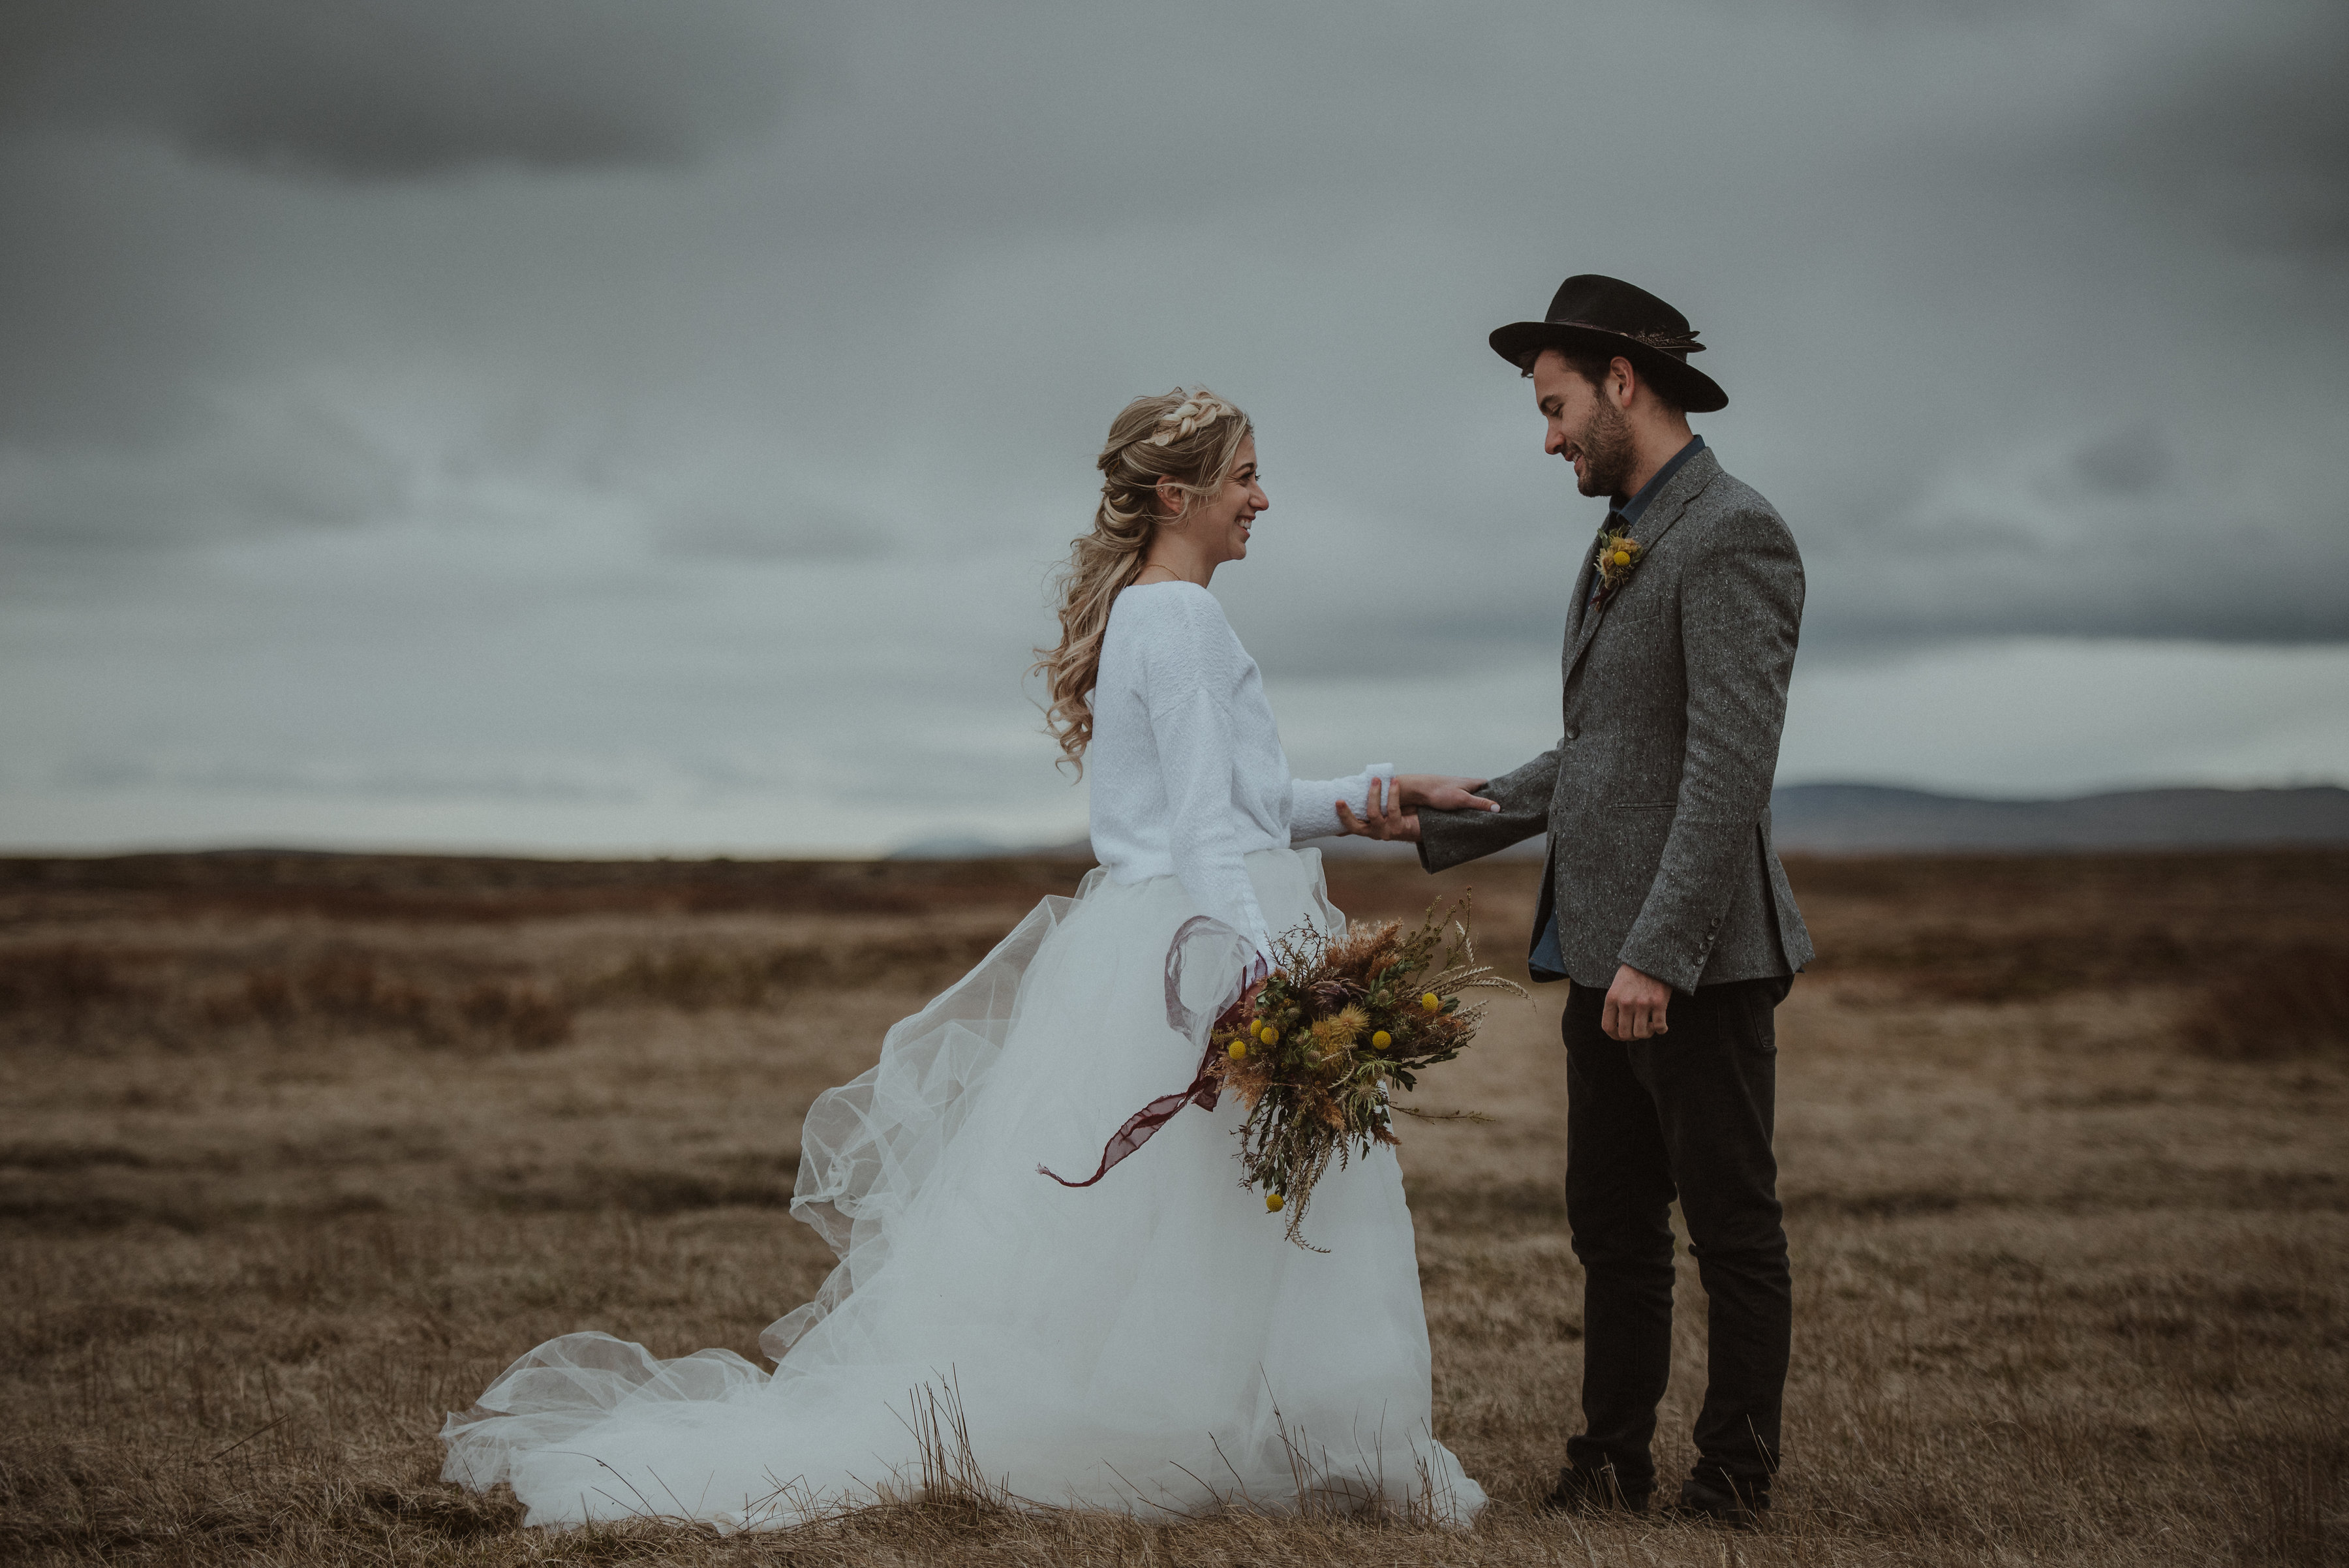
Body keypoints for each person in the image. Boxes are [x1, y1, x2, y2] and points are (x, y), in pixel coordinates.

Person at [438, 386, 1496, 1530]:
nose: (1262, 497)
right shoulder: (1181, 619)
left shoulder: (1155, 611)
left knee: (1176, 1220)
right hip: (1204, 949)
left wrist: (1376, 798)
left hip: (1158, 943)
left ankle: (1203, 1431)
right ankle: (1221, 1441)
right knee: (1218, 1212)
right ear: (1179, 495)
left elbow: (1238, 802)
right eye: (1245, 477)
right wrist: (1267, 979)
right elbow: (1204, 830)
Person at [1339, 276, 1814, 1526]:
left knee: (1731, 1228)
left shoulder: (1733, 533)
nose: (1546, 437)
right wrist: (1446, 814)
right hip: (1601, 953)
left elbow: (1726, 773)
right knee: (1612, 1231)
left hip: (1695, 963)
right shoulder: (1627, 534)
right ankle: (1608, 1464)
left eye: (1554, 408)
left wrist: (1661, 952)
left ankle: (1732, 1478)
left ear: (1621, 382)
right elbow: (1607, 754)